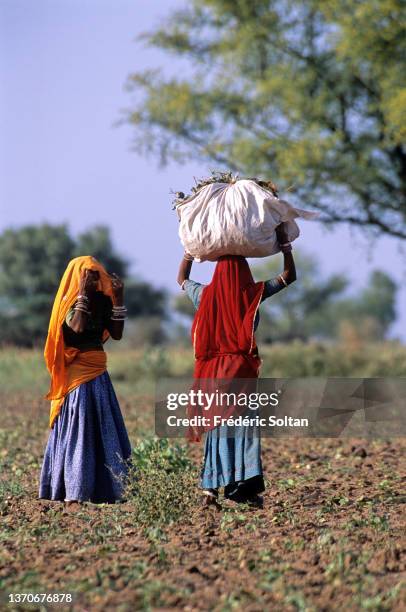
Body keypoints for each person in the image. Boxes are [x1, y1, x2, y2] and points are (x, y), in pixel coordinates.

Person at [177, 223, 296, 508]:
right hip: (240, 373)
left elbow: (181, 278)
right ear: (245, 273)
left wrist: (190, 250)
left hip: (210, 374)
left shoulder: (205, 295)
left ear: (217, 273)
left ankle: (209, 491)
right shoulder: (252, 294)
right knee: (243, 429)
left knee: (216, 428)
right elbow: (289, 277)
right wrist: (284, 245)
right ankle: (241, 487)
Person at [39, 255, 131, 507]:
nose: (92, 278)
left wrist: (119, 299)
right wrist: (82, 294)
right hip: (78, 378)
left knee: (104, 432)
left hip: (98, 373)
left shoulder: (102, 300)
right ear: (77, 277)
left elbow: (117, 334)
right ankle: (73, 491)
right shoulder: (70, 302)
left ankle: (108, 489)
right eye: (87, 274)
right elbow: (77, 327)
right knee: (79, 433)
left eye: (95, 273)